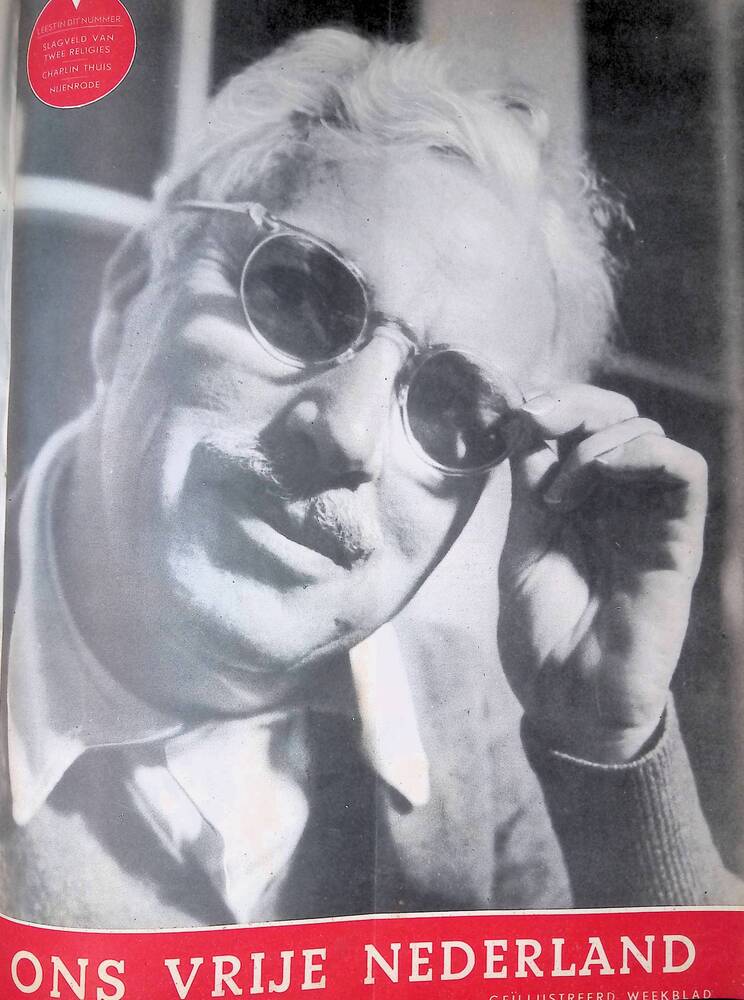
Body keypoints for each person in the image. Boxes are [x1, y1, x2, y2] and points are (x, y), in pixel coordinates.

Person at [0, 27, 739, 928]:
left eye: (451, 405)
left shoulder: (474, 730)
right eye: (298, 300)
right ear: (127, 302)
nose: (349, 436)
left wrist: (614, 758)